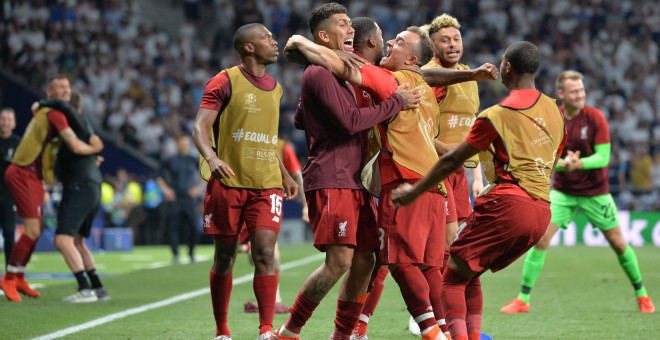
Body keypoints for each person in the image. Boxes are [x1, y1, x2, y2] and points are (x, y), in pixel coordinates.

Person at [285, 16, 498, 340]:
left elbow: (348, 92)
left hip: (403, 179)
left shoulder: (394, 80)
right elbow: (320, 115)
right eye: (389, 39)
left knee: (392, 259)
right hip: (411, 178)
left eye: (397, 42)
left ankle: (422, 330)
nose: (389, 44)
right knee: (380, 260)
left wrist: (302, 44)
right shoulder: (412, 84)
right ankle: (306, 331)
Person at [391, 41, 566, 340]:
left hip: (509, 205)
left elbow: (452, 161)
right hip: (541, 211)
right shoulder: (555, 110)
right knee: (468, 273)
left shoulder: (495, 115)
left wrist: (414, 191)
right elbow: (553, 158)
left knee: (452, 278)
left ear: (507, 67)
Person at [272, 4, 421, 339]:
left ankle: (342, 335)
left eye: (350, 24)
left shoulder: (339, 71)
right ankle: (289, 331)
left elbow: (299, 119)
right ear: (324, 36)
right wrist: (396, 102)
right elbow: (349, 122)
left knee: (368, 259)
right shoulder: (319, 72)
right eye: (342, 24)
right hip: (332, 176)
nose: (350, 29)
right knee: (339, 262)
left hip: (356, 180)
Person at [499, 70, 655, 314]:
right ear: (561, 94)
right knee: (540, 240)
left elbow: (603, 158)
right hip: (564, 191)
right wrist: (562, 163)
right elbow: (545, 153)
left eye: (582, 90)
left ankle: (642, 295)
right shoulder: (552, 118)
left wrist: (578, 163)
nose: (580, 95)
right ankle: (523, 299)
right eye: (574, 91)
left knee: (618, 243)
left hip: (596, 192)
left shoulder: (596, 119)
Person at [191, 23, 298, 340]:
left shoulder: (276, 87)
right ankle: (222, 330)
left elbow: (267, 139)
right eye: (266, 38)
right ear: (248, 47)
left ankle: (266, 329)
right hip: (229, 183)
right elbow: (199, 127)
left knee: (265, 252)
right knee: (225, 257)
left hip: (266, 185)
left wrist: (284, 172)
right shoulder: (224, 81)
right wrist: (212, 158)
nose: (274, 42)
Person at [0, 76, 104, 303]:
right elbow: (75, 145)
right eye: (61, 87)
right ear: (50, 92)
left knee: (36, 232)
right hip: (23, 173)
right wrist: (94, 149)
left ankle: (18, 277)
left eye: (68, 87)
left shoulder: (48, 113)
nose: (66, 90)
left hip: (34, 176)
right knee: (33, 231)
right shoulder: (55, 114)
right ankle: (8, 278)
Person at [53, 90, 109, 303]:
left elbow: (80, 146)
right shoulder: (85, 126)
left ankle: (84, 289)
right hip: (92, 186)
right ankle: (98, 287)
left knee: (62, 239)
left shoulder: (73, 125)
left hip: (80, 186)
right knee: (77, 240)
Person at [243, 138, 308, 314]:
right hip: (240, 195)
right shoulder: (241, 137)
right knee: (246, 253)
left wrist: (306, 204)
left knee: (269, 252)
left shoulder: (281, 146)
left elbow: (296, 174)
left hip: (268, 199)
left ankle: (273, 300)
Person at [157, 134, 202, 264]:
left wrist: (198, 188)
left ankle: (191, 252)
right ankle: (175, 254)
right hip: (175, 198)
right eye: (182, 144)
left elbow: (206, 173)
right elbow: (159, 175)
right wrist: (166, 190)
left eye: (186, 144)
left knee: (194, 226)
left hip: (189, 198)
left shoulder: (193, 159)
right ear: (177, 144)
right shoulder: (169, 160)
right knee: (173, 227)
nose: (184, 146)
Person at [0, 108, 20, 269]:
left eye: (8, 119)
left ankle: (10, 275)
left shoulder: (19, 144)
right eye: (3, 119)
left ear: (14, 123)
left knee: (9, 233)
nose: (5, 122)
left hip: (9, 195)